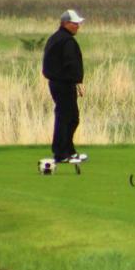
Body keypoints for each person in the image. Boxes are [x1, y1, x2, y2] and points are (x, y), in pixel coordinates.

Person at [41, 9, 88, 164]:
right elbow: (71, 64)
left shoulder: (56, 38)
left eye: (78, 24)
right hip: (63, 84)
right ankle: (61, 153)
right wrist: (77, 81)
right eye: (74, 24)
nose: (77, 26)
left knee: (70, 117)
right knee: (67, 117)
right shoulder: (66, 41)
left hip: (59, 83)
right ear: (65, 23)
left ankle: (68, 150)